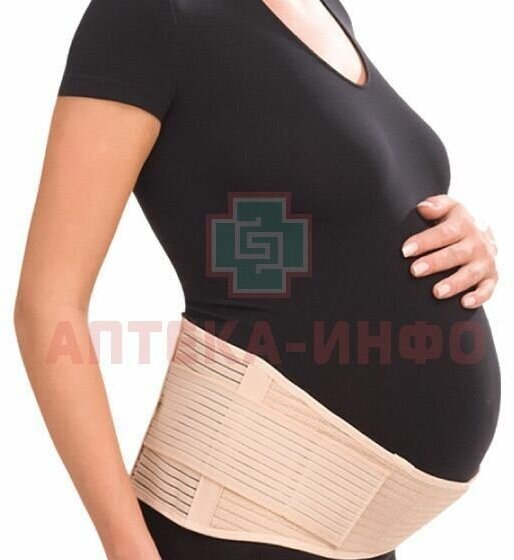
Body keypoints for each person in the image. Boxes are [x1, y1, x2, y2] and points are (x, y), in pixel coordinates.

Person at [14, 1, 501, 559]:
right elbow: (48, 303)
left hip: (355, 535)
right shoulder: (148, 13)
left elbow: (342, 218)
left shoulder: (325, 9)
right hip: (238, 521)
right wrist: (127, 548)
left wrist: (468, 241)